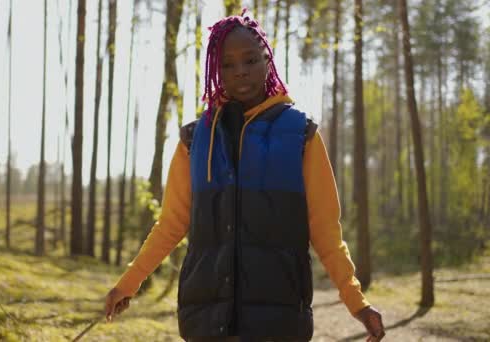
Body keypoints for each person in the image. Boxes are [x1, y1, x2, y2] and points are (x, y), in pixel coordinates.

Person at [105, 9, 385, 342]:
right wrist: (128, 284)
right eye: (227, 64)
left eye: (250, 60)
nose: (240, 72)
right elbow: (170, 225)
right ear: (215, 70)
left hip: (279, 322)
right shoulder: (194, 140)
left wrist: (357, 303)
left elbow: (325, 230)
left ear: (268, 59)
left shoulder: (301, 134)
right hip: (206, 321)